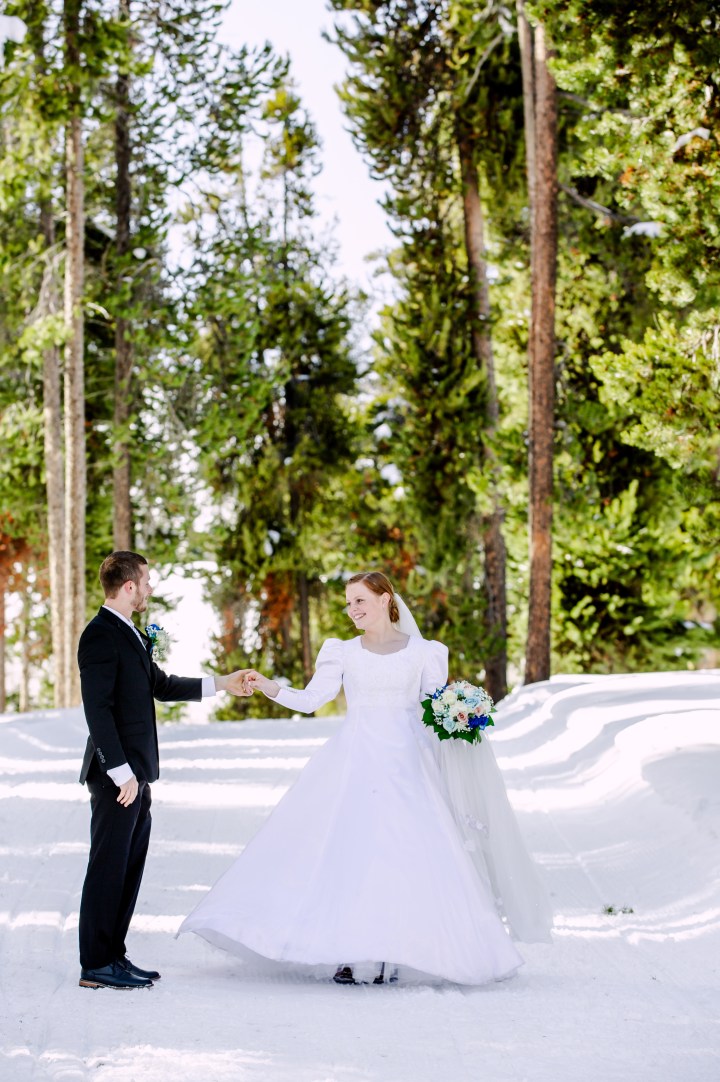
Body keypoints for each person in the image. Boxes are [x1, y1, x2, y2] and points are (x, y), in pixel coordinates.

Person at [178, 571, 548, 985]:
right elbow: (312, 699)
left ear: (386, 599)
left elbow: (433, 711)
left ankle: (395, 950)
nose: (351, 609)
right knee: (351, 852)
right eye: (348, 602)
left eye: (359, 601)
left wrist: (457, 715)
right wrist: (269, 686)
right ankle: (349, 949)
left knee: (405, 855)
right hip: (354, 760)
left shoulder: (426, 653)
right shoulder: (341, 652)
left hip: (409, 763)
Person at [77, 550, 249, 990]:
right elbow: (97, 710)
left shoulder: (129, 633)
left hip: (138, 775)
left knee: (128, 867)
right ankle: (95, 962)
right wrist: (120, 772)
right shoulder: (99, 635)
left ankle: (113, 954)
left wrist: (221, 683)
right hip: (118, 777)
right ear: (129, 586)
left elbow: (161, 685)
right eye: (147, 582)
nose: (151, 589)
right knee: (107, 867)